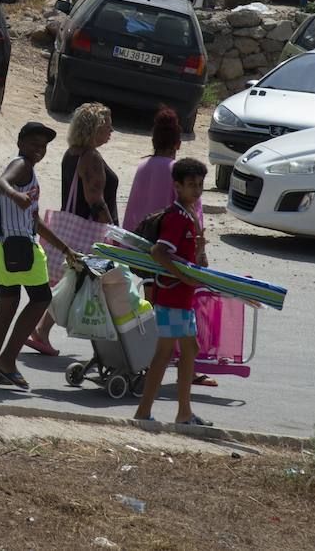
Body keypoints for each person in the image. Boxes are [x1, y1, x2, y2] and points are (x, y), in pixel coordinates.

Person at [0, 122, 78, 389]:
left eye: (43, 146)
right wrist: (15, 194)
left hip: (0, 243)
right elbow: (0, 183)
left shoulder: (28, 170)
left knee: (8, 302)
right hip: (15, 245)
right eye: (33, 144)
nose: (38, 150)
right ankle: (7, 361)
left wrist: (65, 249)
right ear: (20, 143)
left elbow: (34, 220)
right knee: (41, 298)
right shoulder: (21, 165)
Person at [124, 106, 216, 387]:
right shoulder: (175, 171)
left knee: (154, 312)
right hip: (170, 257)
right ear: (178, 143)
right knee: (174, 314)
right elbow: (193, 216)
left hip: (139, 250)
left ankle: (153, 362)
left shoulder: (142, 166)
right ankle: (177, 366)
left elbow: (133, 210)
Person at [28, 101, 118, 355]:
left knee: (73, 284)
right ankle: (108, 348)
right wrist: (113, 233)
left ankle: (41, 330)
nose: (111, 131)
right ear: (94, 128)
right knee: (84, 285)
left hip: (72, 226)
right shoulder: (90, 157)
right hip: (89, 232)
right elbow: (95, 200)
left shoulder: (72, 153)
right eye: (107, 126)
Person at [134, 158, 213, 427]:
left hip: (182, 298)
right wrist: (183, 277)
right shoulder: (177, 217)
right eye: (191, 185)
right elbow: (159, 252)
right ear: (177, 186)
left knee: (190, 349)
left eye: (200, 185)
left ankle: (183, 413)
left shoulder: (189, 215)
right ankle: (145, 413)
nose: (197, 190)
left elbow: (187, 257)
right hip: (173, 297)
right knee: (164, 355)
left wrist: (198, 258)